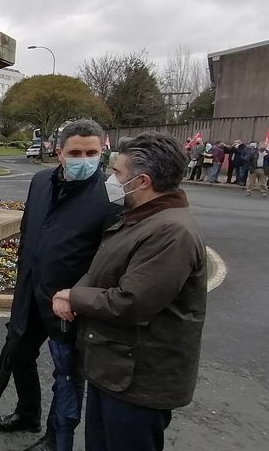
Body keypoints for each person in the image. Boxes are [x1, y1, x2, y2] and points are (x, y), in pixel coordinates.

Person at [52, 132, 206, 451]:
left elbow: (131, 302)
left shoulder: (171, 231)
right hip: (114, 369)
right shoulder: (141, 219)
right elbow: (101, 268)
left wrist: (73, 297)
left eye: (119, 173)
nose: (111, 178)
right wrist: (75, 290)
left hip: (137, 379)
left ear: (143, 181)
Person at [0, 120, 119, 451]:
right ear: (59, 152)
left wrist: (80, 296)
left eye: (92, 152)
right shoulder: (41, 180)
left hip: (69, 304)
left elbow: (110, 257)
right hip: (30, 292)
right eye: (75, 152)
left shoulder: (112, 193)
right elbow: (30, 229)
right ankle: (27, 412)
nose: (84, 159)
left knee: (67, 375)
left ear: (102, 150)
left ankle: (57, 438)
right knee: (18, 354)